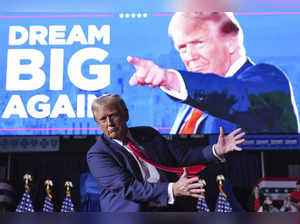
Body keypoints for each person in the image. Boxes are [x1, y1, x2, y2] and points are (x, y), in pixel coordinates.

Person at [127, 12, 299, 134]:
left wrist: (170, 78)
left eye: (199, 43)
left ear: (231, 42)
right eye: (182, 47)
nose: (190, 56)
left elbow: (233, 96)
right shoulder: (190, 103)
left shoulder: (268, 79)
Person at [87, 94, 245, 212]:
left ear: (126, 115)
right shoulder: (98, 154)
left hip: (168, 207)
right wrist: (172, 189)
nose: (109, 123)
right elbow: (128, 188)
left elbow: (181, 156)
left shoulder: (148, 133)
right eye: (103, 119)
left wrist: (216, 150)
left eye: (113, 115)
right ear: (97, 123)